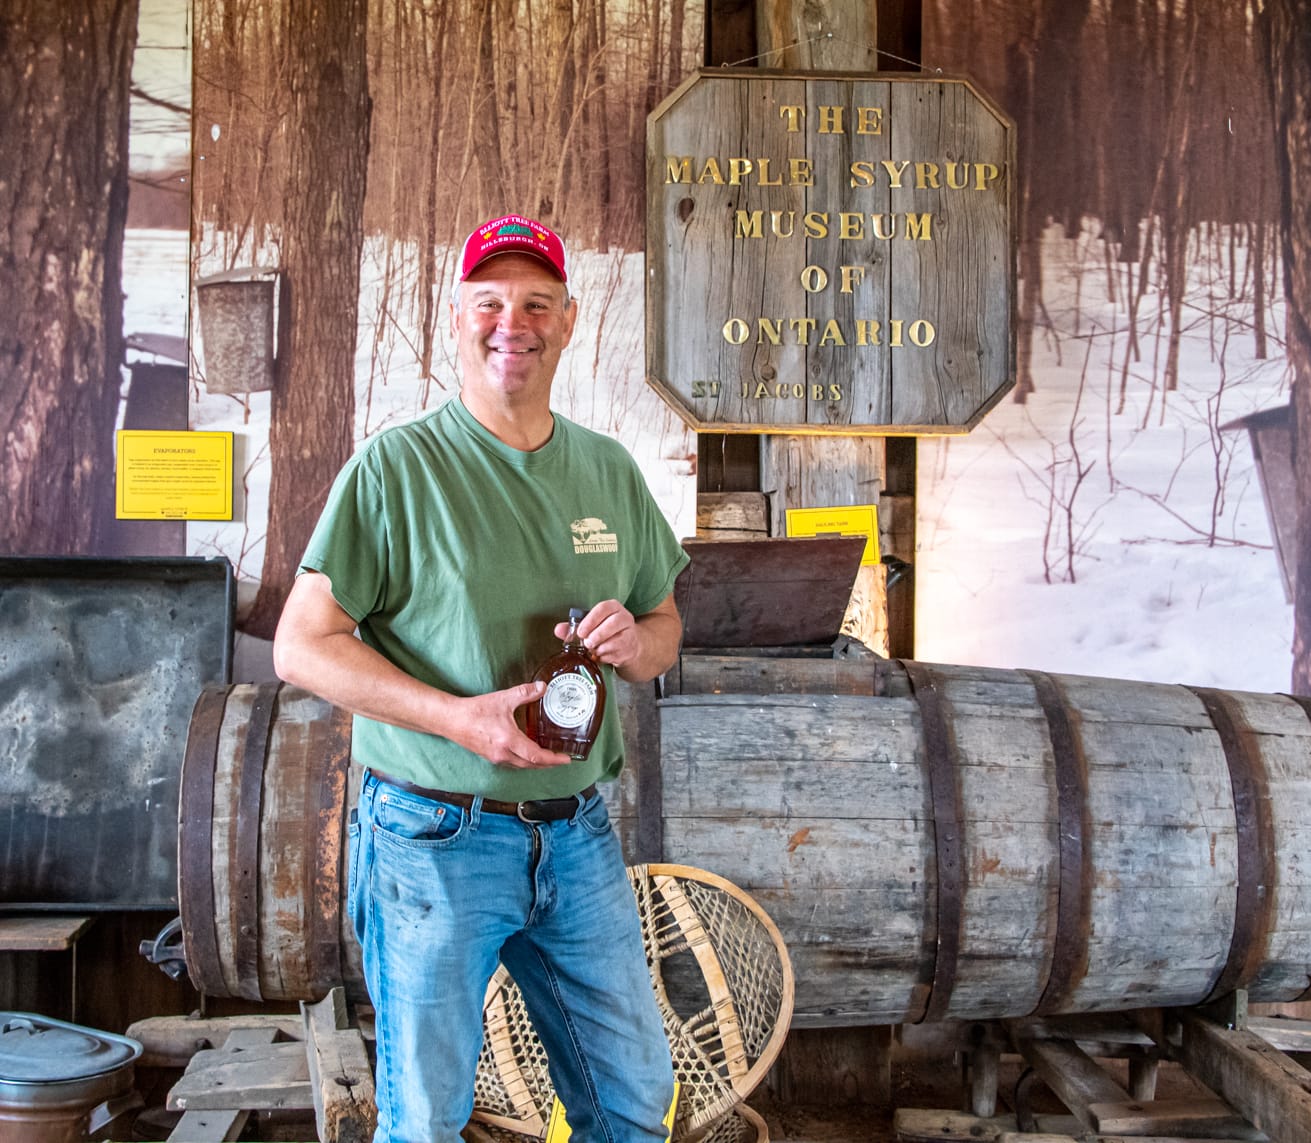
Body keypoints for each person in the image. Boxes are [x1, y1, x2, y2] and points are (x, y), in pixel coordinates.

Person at [273, 213, 688, 1143]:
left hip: (577, 835)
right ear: (455, 318)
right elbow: (300, 645)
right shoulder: (397, 468)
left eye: (537, 302)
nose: (515, 322)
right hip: (433, 832)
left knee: (631, 1102)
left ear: (570, 321)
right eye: (490, 301)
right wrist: (456, 718)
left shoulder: (608, 470)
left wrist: (635, 638)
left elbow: (665, 627)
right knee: (424, 1119)